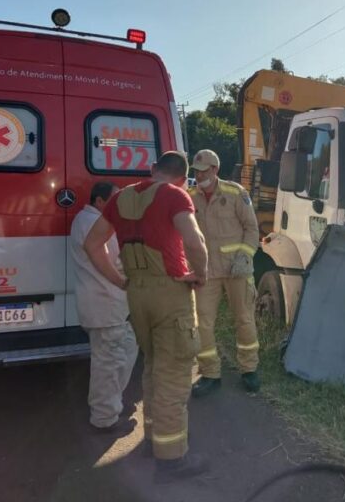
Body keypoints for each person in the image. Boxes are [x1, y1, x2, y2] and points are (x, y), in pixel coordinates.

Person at [83, 151, 209, 481]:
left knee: (153, 366)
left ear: (152, 170)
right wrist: (201, 273)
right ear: (182, 178)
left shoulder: (120, 198)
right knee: (174, 373)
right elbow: (195, 242)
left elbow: (92, 244)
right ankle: (171, 460)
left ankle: (154, 439)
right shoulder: (175, 195)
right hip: (170, 293)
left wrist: (121, 281)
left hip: (137, 295)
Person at [188, 149, 261, 397]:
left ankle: (249, 369)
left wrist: (245, 255)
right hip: (206, 271)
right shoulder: (189, 197)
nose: (199, 176)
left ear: (215, 169)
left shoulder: (235, 193)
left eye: (204, 171)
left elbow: (252, 228)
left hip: (236, 269)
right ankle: (210, 374)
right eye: (196, 172)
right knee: (203, 323)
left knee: (244, 319)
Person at [69, 182, 138, 432]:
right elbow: (117, 260)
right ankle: (105, 418)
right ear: (100, 201)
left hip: (104, 305)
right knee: (109, 362)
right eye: (114, 200)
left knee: (125, 349)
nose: (118, 206)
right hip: (106, 303)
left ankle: (112, 403)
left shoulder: (84, 219)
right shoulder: (94, 223)